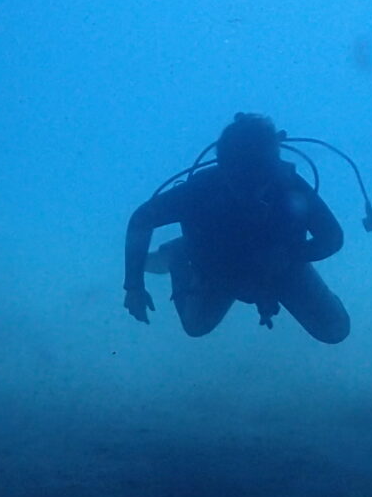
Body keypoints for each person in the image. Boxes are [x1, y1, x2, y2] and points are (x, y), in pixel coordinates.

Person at [123, 113, 351, 341]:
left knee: (335, 330)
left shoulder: (290, 186)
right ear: (223, 168)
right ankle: (179, 253)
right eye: (241, 179)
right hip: (220, 266)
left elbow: (332, 237)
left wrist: (289, 255)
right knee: (196, 325)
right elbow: (141, 220)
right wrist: (133, 286)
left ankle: (181, 251)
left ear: (273, 168)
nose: (251, 190)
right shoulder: (200, 190)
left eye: (260, 177)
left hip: (282, 266)